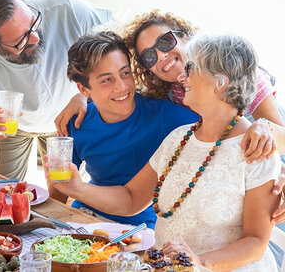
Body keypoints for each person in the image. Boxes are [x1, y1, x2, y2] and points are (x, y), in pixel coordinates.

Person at [47, 34, 282, 271]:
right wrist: (75, 187)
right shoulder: (178, 137)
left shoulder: (257, 150)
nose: (181, 77)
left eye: (190, 68)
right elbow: (131, 199)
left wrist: (199, 262)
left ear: (219, 82)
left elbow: (256, 242)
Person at [55, 9, 285, 223]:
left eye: (165, 42)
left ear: (185, 36)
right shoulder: (170, 95)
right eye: (149, 57)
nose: (162, 56)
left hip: (267, 145)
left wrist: (267, 133)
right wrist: (83, 98)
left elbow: (262, 135)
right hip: (92, 216)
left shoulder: (234, 77)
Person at [0, 0, 111, 179]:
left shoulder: (65, 8)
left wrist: (88, 95)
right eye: (20, 40)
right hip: (13, 128)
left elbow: (119, 45)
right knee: (0, 190)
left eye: (33, 23)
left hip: (70, 114)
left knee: (71, 190)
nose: (35, 38)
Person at [52, 31, 198, 228]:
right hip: (84, 217)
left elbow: (221, 125)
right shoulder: (76, 121)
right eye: (106, 80)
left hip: (142, 229)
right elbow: (58, 192)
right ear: (84, 89)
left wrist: (255, 126)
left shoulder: (166, 117)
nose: (122, 87)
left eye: (125, 73)